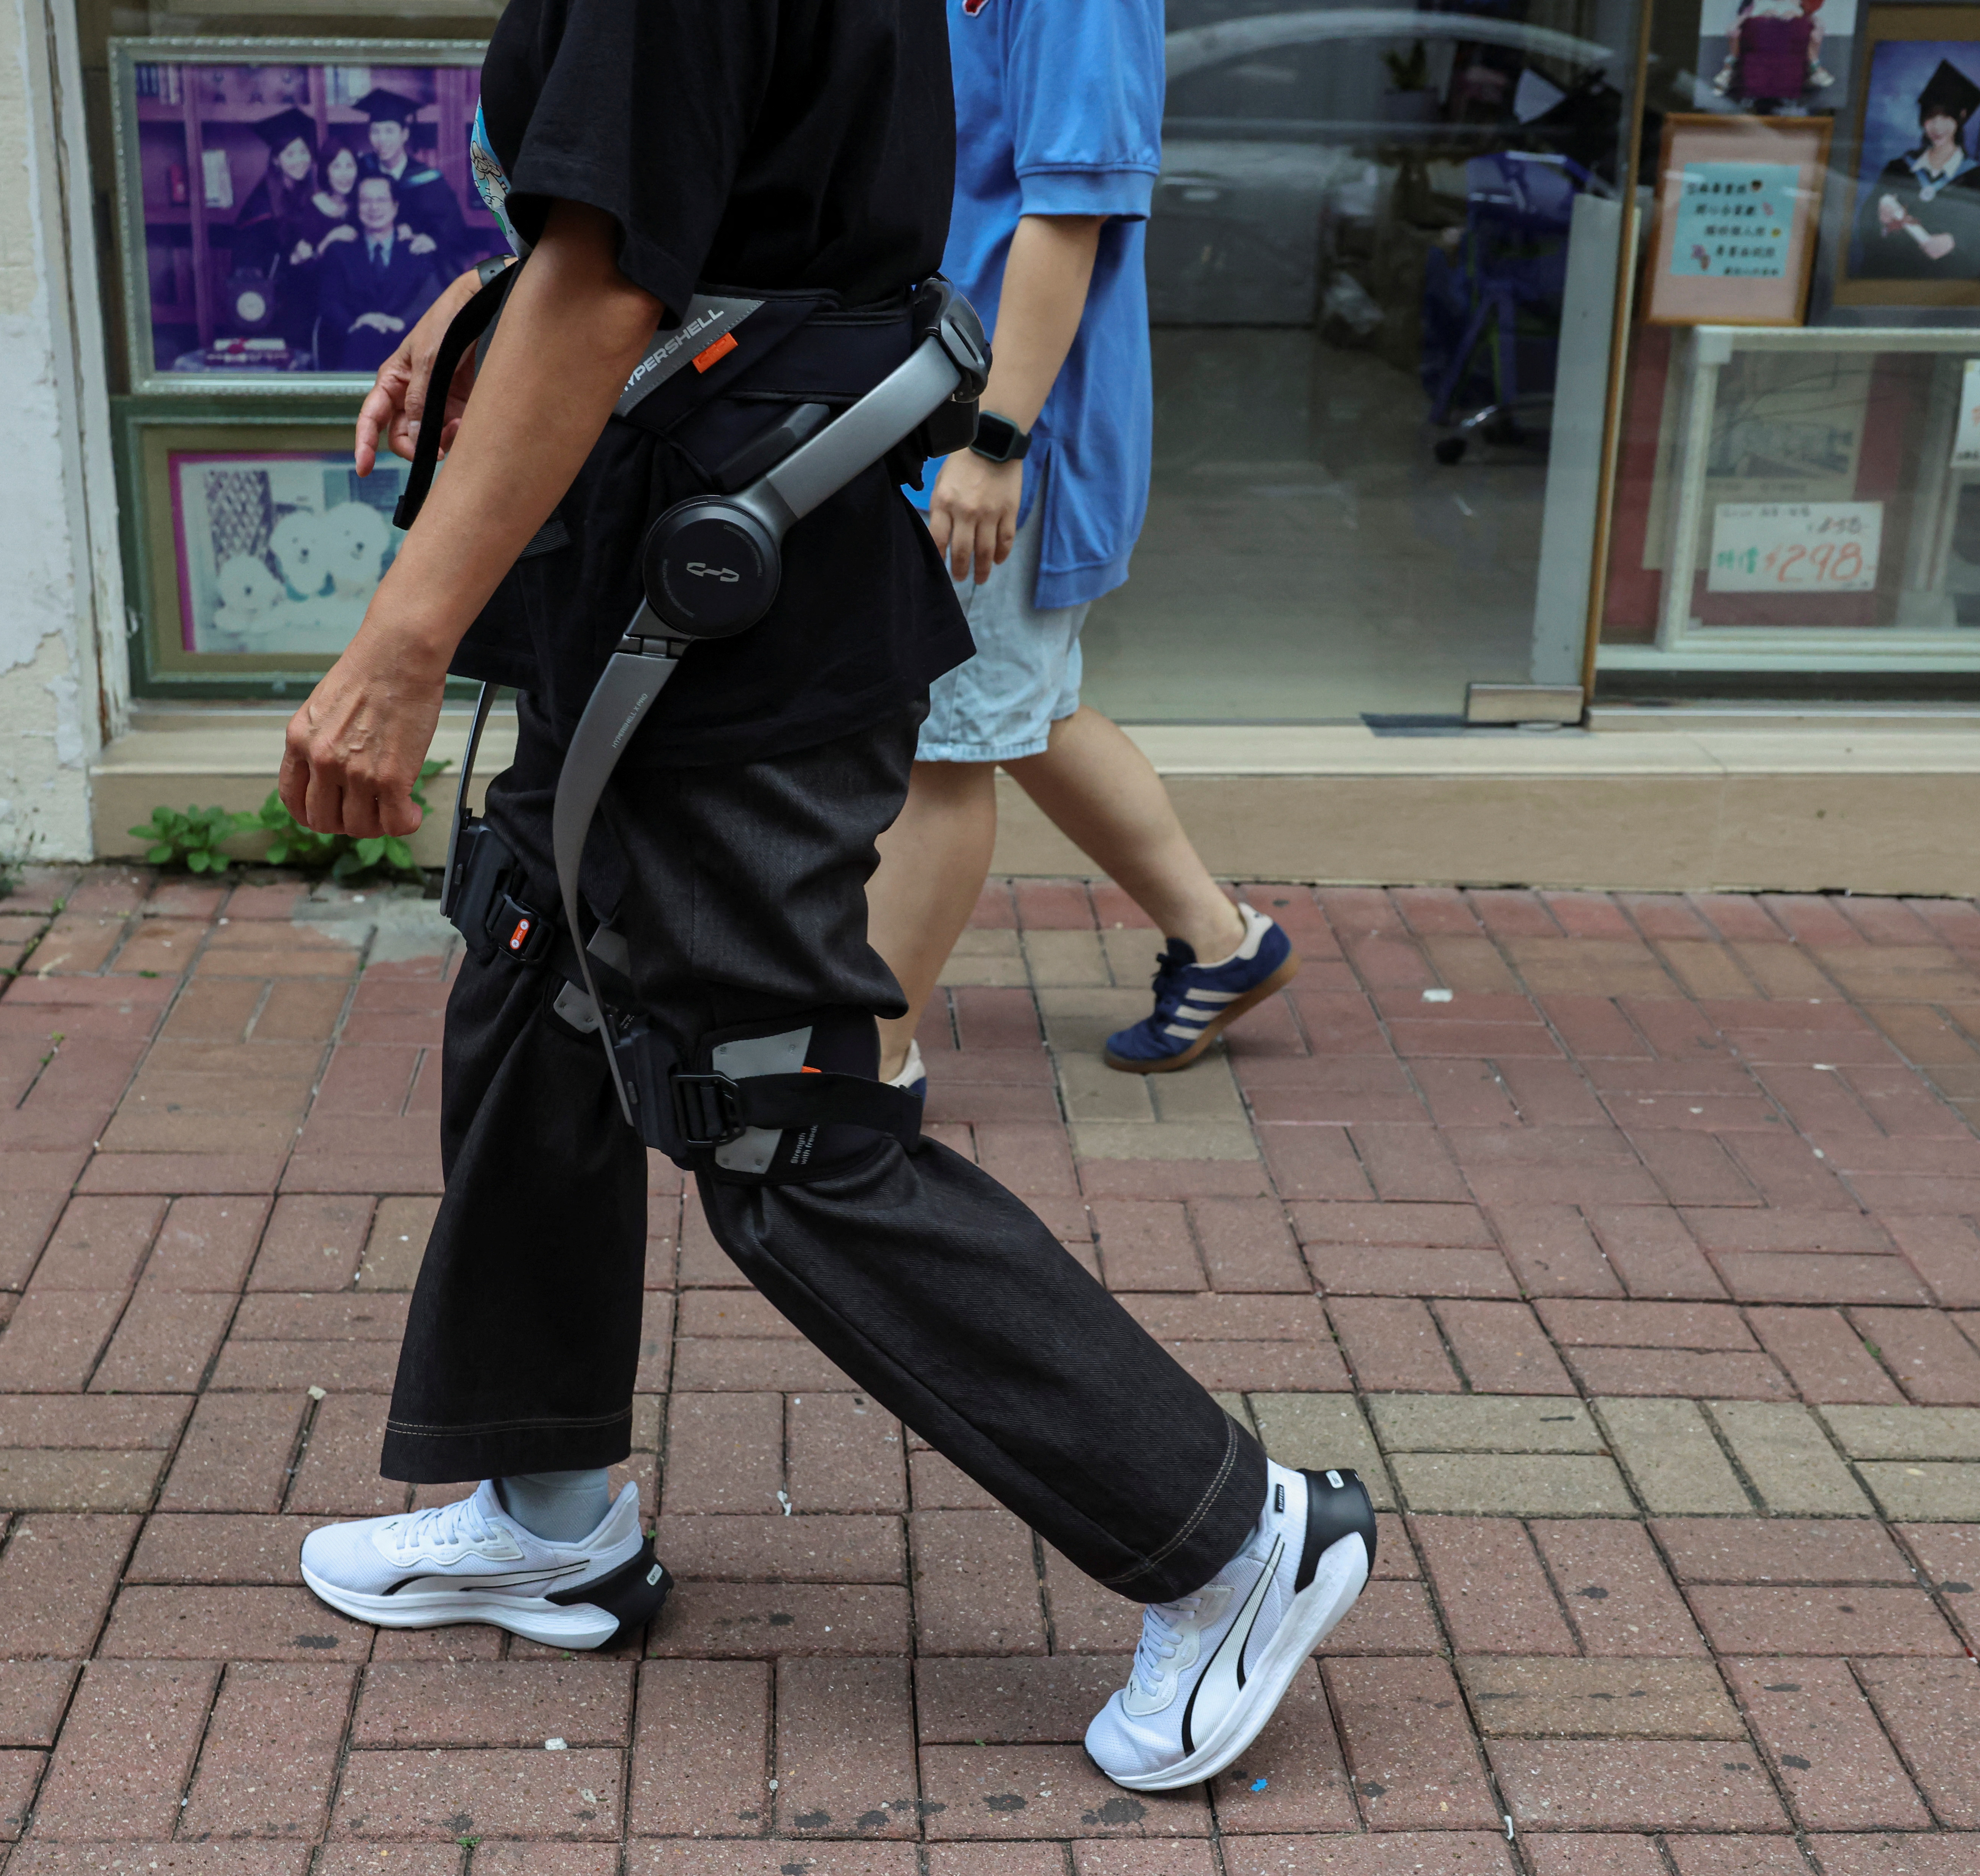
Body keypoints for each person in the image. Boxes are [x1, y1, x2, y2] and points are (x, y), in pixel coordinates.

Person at [275, 0, 1374, 1795]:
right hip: (677, 546)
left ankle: (1237, 1534)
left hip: (728, 607)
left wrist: (401, 641)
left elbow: (624, 276)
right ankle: (546, 1500)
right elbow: (720, 215)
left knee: (776, 1116)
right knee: (541, 975)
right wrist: (499, 293)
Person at [864, 0, 1298, 1095]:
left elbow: (1071, 210)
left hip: (999, 423)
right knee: (1021, 706)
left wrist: (995, 440)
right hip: (927, 398)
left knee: (944, 742)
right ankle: (1223, 941)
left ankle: (866, 1065)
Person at [1852, 58, 1980, 280]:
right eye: (1931, 117)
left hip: (1942, 289)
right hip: (1889, 280)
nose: (1937, 127)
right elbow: (1866, 225)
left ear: (1961, 116)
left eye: (1946, 117)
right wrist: (1880, 216)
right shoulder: (1899, 169)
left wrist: (1955, 242)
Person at [313, 174, 443, 371]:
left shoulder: (416, 250)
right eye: (366, 201)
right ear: (357, 206)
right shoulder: (340, 251)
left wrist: (399, 323)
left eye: (381, 200)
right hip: (353, 346)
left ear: (395, 205)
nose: (374, 208)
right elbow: (329, 302)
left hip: (406, 345)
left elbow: (432, 301)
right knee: (365, 337)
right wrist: (357, 324)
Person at [353, 86, 484, 273]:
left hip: (417, 266)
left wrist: (432, 240)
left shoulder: (429, 180)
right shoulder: (363, 172)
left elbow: (453, 229)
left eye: (389, 131)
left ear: (405, 134)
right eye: (376, 132)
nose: (382, 140)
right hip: (370, 267)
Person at [226, 107, 320, 353]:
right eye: (290, 154)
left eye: (303, 152)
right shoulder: (261, 206)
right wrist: (292, 259)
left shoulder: (304, 192)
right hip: (274, 302)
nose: (299, 160)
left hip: (304, 292)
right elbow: (249, 264)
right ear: (277, 160)